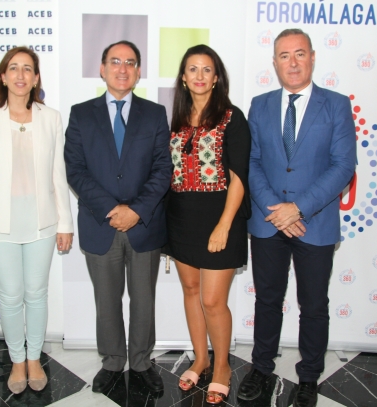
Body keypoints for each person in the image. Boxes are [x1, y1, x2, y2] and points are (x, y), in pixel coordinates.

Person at [237, 29, 356, 407]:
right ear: (274, 62)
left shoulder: (335, 105)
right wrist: (277, 210)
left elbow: (343, 166)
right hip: (268, 222)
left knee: (314, 305)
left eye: (299, 54)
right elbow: (251, 162)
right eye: (284, 55)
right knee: (267, 300)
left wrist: (298, 209)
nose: (292, 62)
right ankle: (261, 368)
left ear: (312, 57)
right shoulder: (259, 105)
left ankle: (308, 377)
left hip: (315, 224)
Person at [64, 40, 172, 393]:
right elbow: (75, 170)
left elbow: (162, 169)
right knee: (107, 301)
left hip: (144, 226)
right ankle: (112, 362)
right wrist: (113, 209)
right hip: (101, 224)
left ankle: (141, 362)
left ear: (138, 71)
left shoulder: (155, 114)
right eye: (115, 61)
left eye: (130, 62)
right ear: (102, 68)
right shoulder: (81, 114)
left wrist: (136, 210)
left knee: (143, 300)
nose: (122, 69)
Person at [0, 47, 73, 394]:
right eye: (13, 68)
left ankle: (34, 358)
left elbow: (58, 174)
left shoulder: (51, 118)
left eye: (28, 68)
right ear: (3, 76)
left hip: (42, 222)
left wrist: (65, 223)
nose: (20, 75)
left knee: (37, 294)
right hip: (0, 225)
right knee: (11, 296)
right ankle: (17, 361)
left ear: (36, 78)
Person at [162, 44, 251, 405]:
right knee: (191, 290)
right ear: (183, 78)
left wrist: (224, 225)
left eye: (207, 69)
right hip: (181, 217)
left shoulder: (232, 117)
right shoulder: (176, 119)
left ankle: (222, 366)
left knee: (213, 301)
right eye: (192, 69)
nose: (199, 75)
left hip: (220, 217)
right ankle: (200, 359)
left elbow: (239, 175)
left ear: (216, 78)